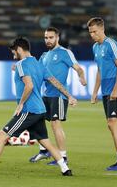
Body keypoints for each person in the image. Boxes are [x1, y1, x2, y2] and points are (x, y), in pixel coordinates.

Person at [0, 37, 77, 177]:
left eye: (14, 52)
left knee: (2, 136)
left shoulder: (21, 65)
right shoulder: (39, 64)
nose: (13, 55)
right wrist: (69, 96)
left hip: (28, 110)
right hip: (40, 110)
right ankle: (65, 169)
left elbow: (29, 85)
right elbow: (55, 81)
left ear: (19, 49)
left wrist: (20, 104)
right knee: (45, 141)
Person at [29, 27, 87, 165]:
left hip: (59, 95)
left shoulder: (65, 53)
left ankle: (63, 156)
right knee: (37, 121)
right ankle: (44, 151)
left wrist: (82, 77)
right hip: (46, 95)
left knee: (55, 124)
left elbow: (78, 68)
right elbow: (39, 74)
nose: (48, 40)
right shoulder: (44, 55)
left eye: (50, 37)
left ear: (57, 38)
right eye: (46, 38)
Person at [87, 17, 117, 171]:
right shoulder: (95, 47)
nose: (92, 35)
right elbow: (99, 70)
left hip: (114, 91)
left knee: (112, 123)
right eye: (90, 32)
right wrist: (95, 91)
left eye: (94, 32)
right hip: (105, 92)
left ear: (102, 29)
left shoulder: (112, 44)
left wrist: (115, 90)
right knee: (115, 126)